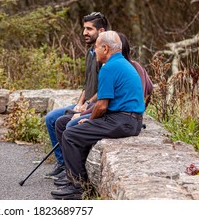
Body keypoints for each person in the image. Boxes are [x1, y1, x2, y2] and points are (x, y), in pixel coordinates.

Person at [51, 31, 145, 200]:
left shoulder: (109, 68)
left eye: (96, 47)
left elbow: (101, 106)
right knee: (74, 130)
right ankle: (76, 181)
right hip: (130, 120)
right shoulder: (122, 63)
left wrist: (89, 119)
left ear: (105, 48)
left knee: (71, 134)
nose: (94, 51)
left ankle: (77, 188)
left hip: (122, 120)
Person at [44, 12, 110, 179]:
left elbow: (104, 89)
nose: (84, 33)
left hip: (95, 105)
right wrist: (80, 102)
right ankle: (63, 163)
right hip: (86, 103)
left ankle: (71, 170)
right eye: (84, 28)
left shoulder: (106, 56)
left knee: (65, 123)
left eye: (89, 29)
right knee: (51, 118)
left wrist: (87, 103)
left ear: (101, 31)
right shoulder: (90, 52)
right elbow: (87, 83)